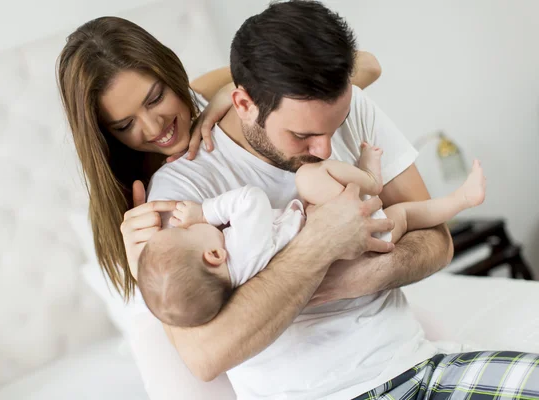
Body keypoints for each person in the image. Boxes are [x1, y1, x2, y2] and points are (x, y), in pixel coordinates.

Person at [123, 2, 539, 399]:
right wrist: (320, 245)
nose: (325, 150)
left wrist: (360, 275)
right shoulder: (180, 196)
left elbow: (438, 242)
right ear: (244, 103)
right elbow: (204, 357)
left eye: (334, 127)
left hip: (422, 366)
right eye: (302, 136)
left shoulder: (348, 103)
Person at [57, 11, 385, 400]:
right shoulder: (146, 204)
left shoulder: (211, 100)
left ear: (169, 71)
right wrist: (139, 264)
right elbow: (202, 353)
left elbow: (365, 65)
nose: (152, 127)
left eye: (157, 97)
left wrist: (226, 96)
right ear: (105, 134)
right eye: (125, 125)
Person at [138, 150, 486, 329]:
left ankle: (442, 196)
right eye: (186, 235)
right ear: (213, 255)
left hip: (332, 234)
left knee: (405, 216)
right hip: (352, 237)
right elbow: (250, 199)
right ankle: (455, 199)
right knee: (312, 177)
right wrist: (204, 212)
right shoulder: (242, 247)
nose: (187, 226)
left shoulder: (238, 282)